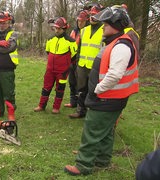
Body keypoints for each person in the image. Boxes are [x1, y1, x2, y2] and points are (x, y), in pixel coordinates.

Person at [64, 6, 139, 175]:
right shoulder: (116, 42)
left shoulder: (121, 46)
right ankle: (103, 160)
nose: (103, 26)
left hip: (107, 97)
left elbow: (114, 75)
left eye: (107, 23)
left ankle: (83, 165)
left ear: (117, 25)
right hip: (112, 98)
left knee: (92, 130)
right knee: (106, 131)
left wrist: (98, 89)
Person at [33, 17, 77, 114]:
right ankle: (41, 105)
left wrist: (65, 65)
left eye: (59, 28)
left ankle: (56, 107)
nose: (56, 30)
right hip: (50, 69)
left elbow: (74, 57)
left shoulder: (71, 41)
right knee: (46, 87)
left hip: (63, 71)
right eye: (55, 28)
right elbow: (48, 52)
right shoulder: (50, 39)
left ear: (64, 28)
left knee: (60, 89)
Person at [69, 4, 104, 118]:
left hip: (96, 67)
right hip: (82, 65)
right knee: (81, 89)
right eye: (91, 15)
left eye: (96, 15)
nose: (93, 17)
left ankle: (92, 113)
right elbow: (79, 48)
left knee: (94, 90)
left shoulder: (104, 30)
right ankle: (80, 111)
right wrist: (78, 61)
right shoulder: (84, 30)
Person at [64, 10, 89, 108]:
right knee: (72, 82)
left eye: (82, 21)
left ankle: (81, 104)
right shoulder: (74, 31)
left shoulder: (87, 32)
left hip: (81, 62)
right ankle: (73, 102)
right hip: (72, 61)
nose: (80, 23)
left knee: (81, 85)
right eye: (79, 21)